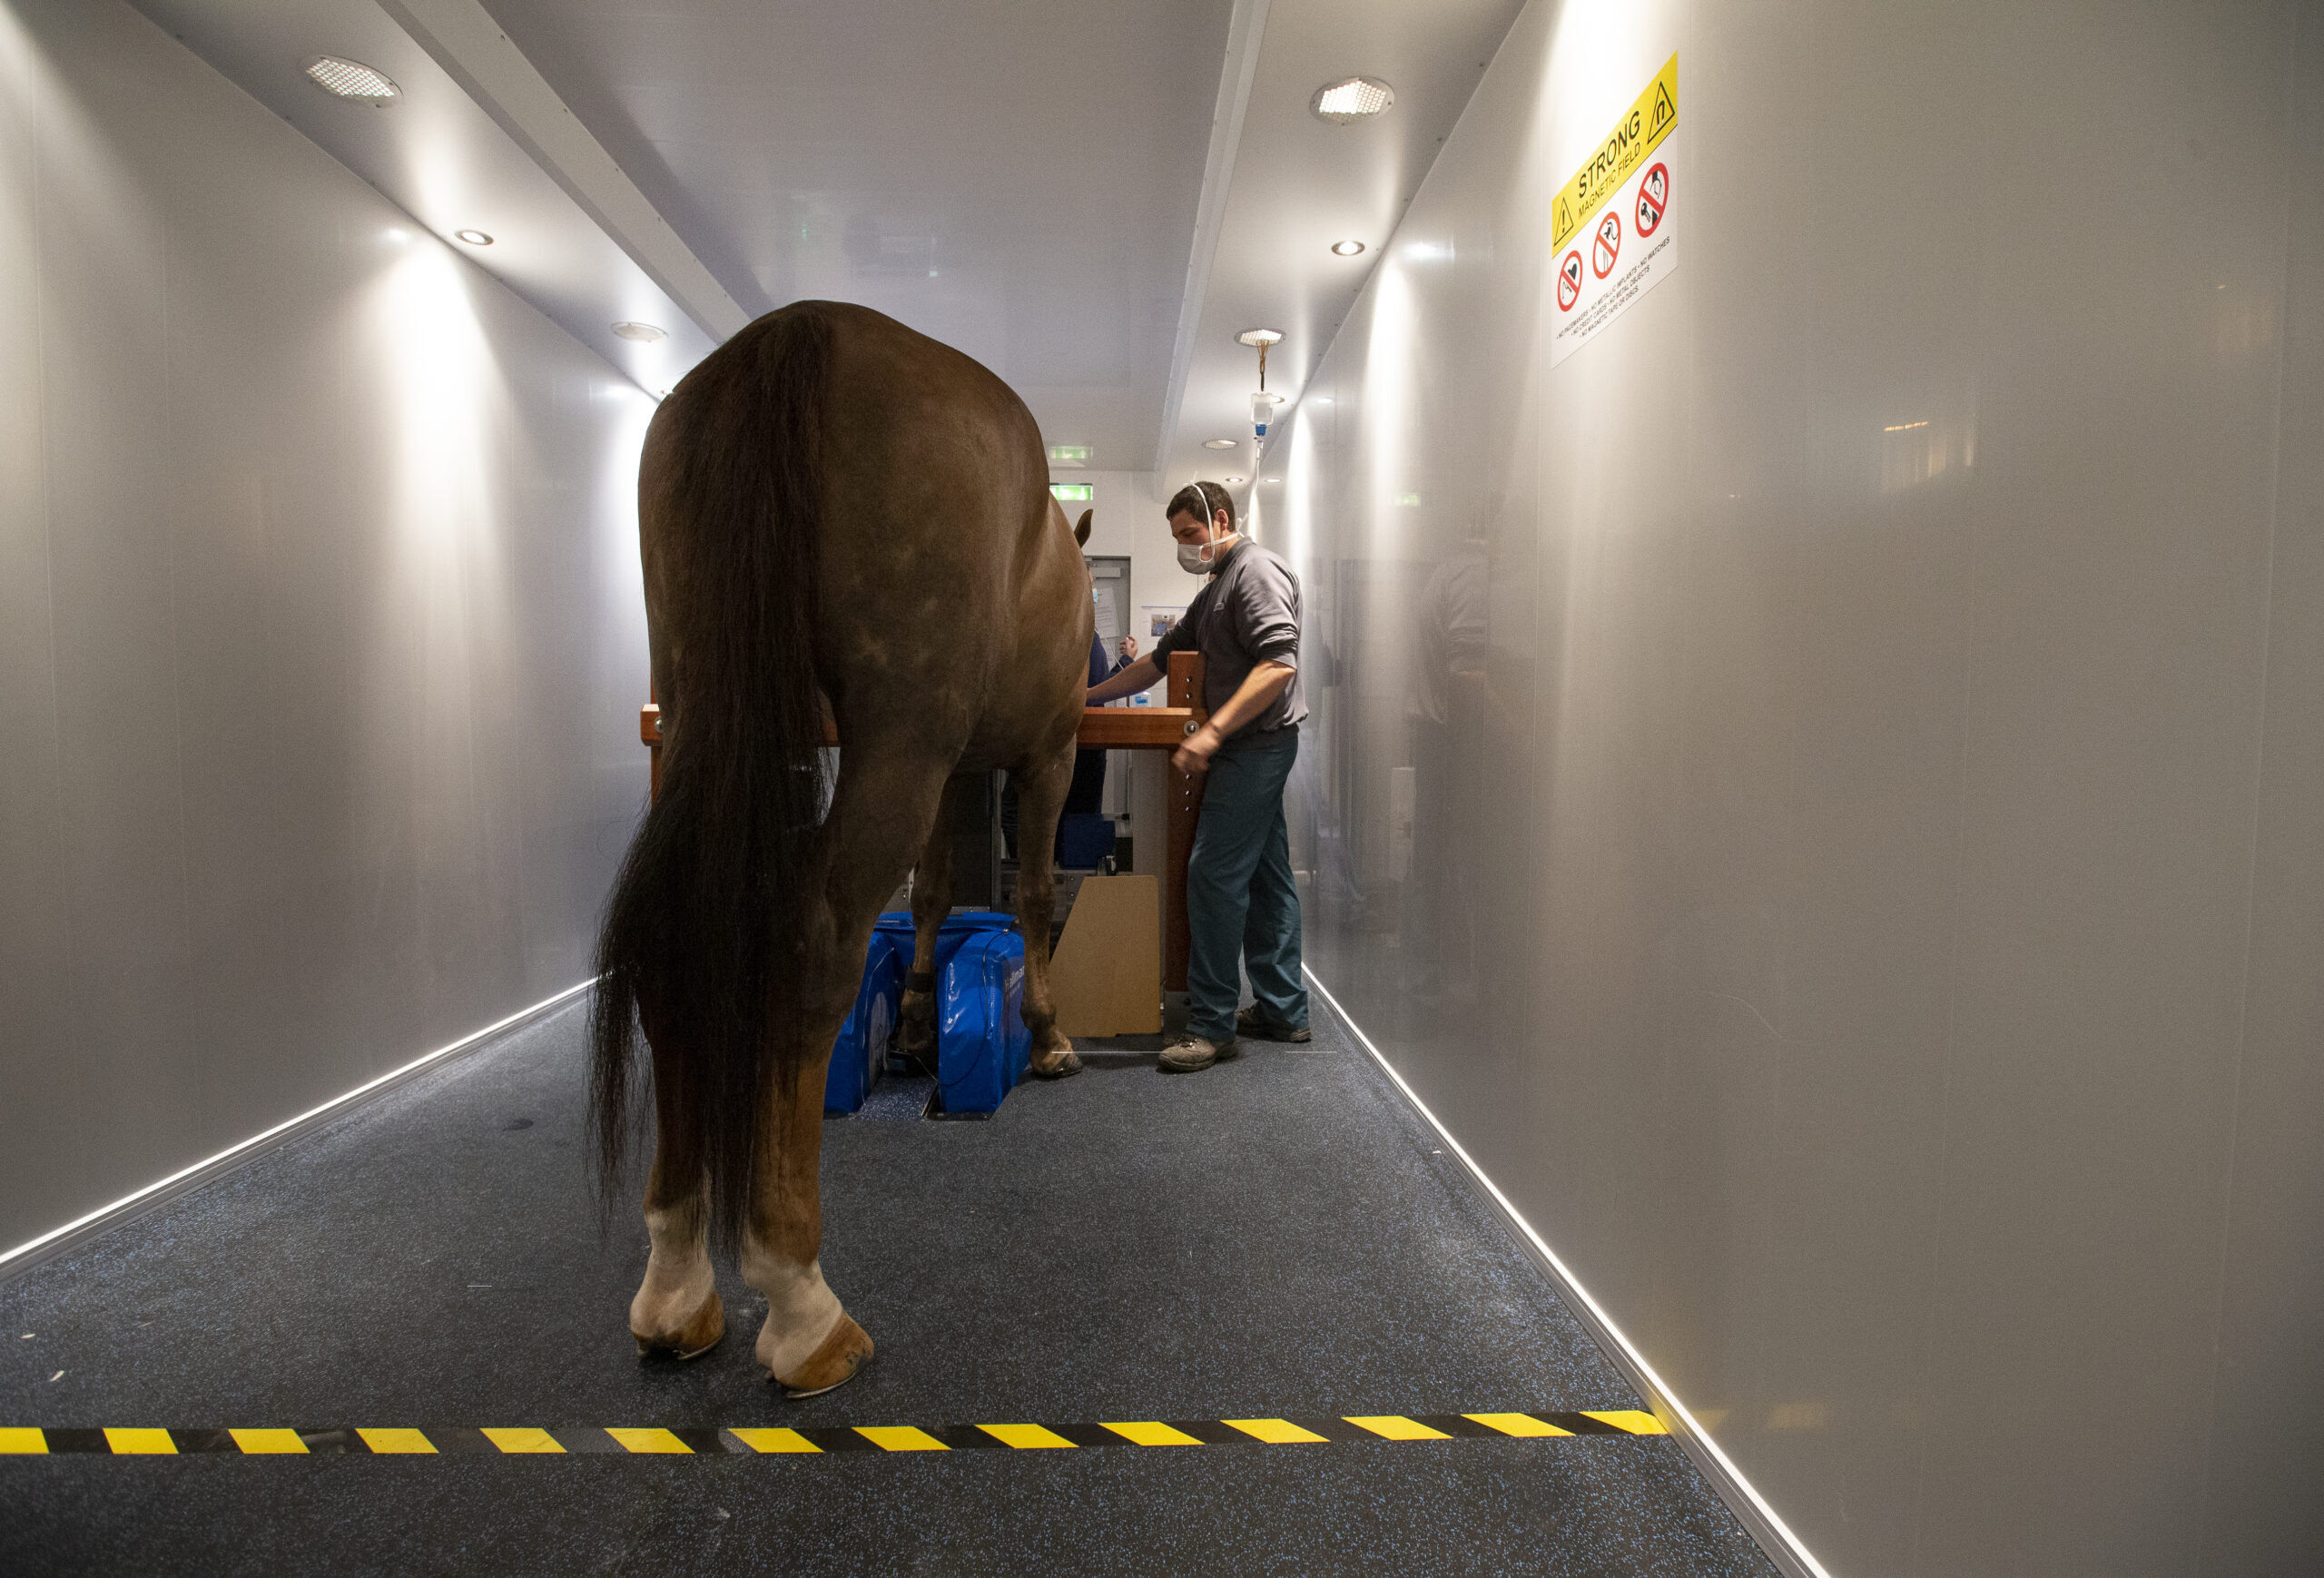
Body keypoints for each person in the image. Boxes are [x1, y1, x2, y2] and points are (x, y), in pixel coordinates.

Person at [1086, 480, 1308, 1071]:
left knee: (1211, 875)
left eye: (1190, 534)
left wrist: (1211, 732)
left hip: (1254, 745)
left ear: (1221, 518)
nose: (1186, 547)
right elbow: (1155, 665)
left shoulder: (1255, 572)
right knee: (1268, 878)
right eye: (1178, 538)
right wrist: (1086, 699)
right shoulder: (1215, 590)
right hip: (1249, 745)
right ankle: (1284, 1011)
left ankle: (1210, 1028)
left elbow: (1278, 667)